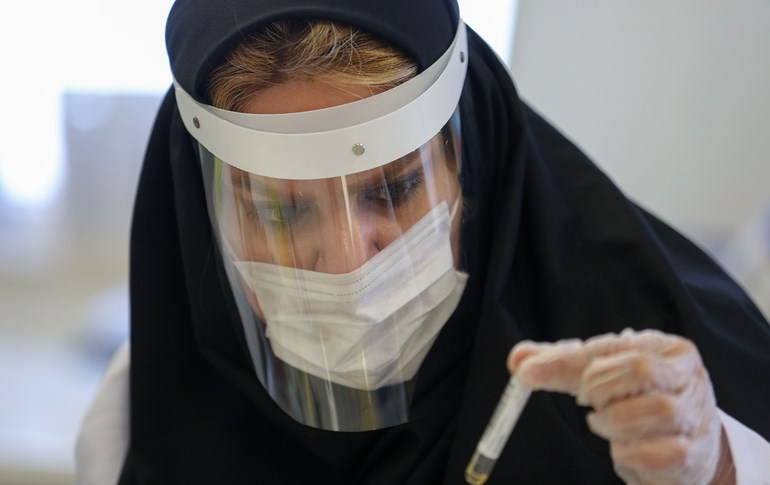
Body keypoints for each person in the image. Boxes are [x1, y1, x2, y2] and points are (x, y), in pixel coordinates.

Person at [75, 0, 770, 483]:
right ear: (204, 215)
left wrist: (714, 468)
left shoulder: (656, 356)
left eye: (395, 188)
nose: (348, 260)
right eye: (280, 213)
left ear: (469, 163)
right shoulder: (147, 407)